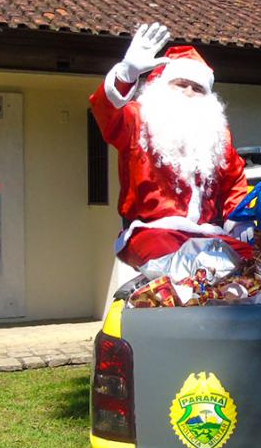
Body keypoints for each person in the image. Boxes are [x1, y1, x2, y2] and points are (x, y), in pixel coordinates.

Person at [89, 22, 251, 270]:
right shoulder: (138, 119)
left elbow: (234, 182)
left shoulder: (217, 136)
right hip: (153, 232)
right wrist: (125, 75)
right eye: (181, 84)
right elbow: (107, 112)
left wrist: (240, 221)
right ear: (162, 86)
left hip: (206, 234)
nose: (188, 92)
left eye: (197, 88)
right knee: (180, 264)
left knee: (252, 261)